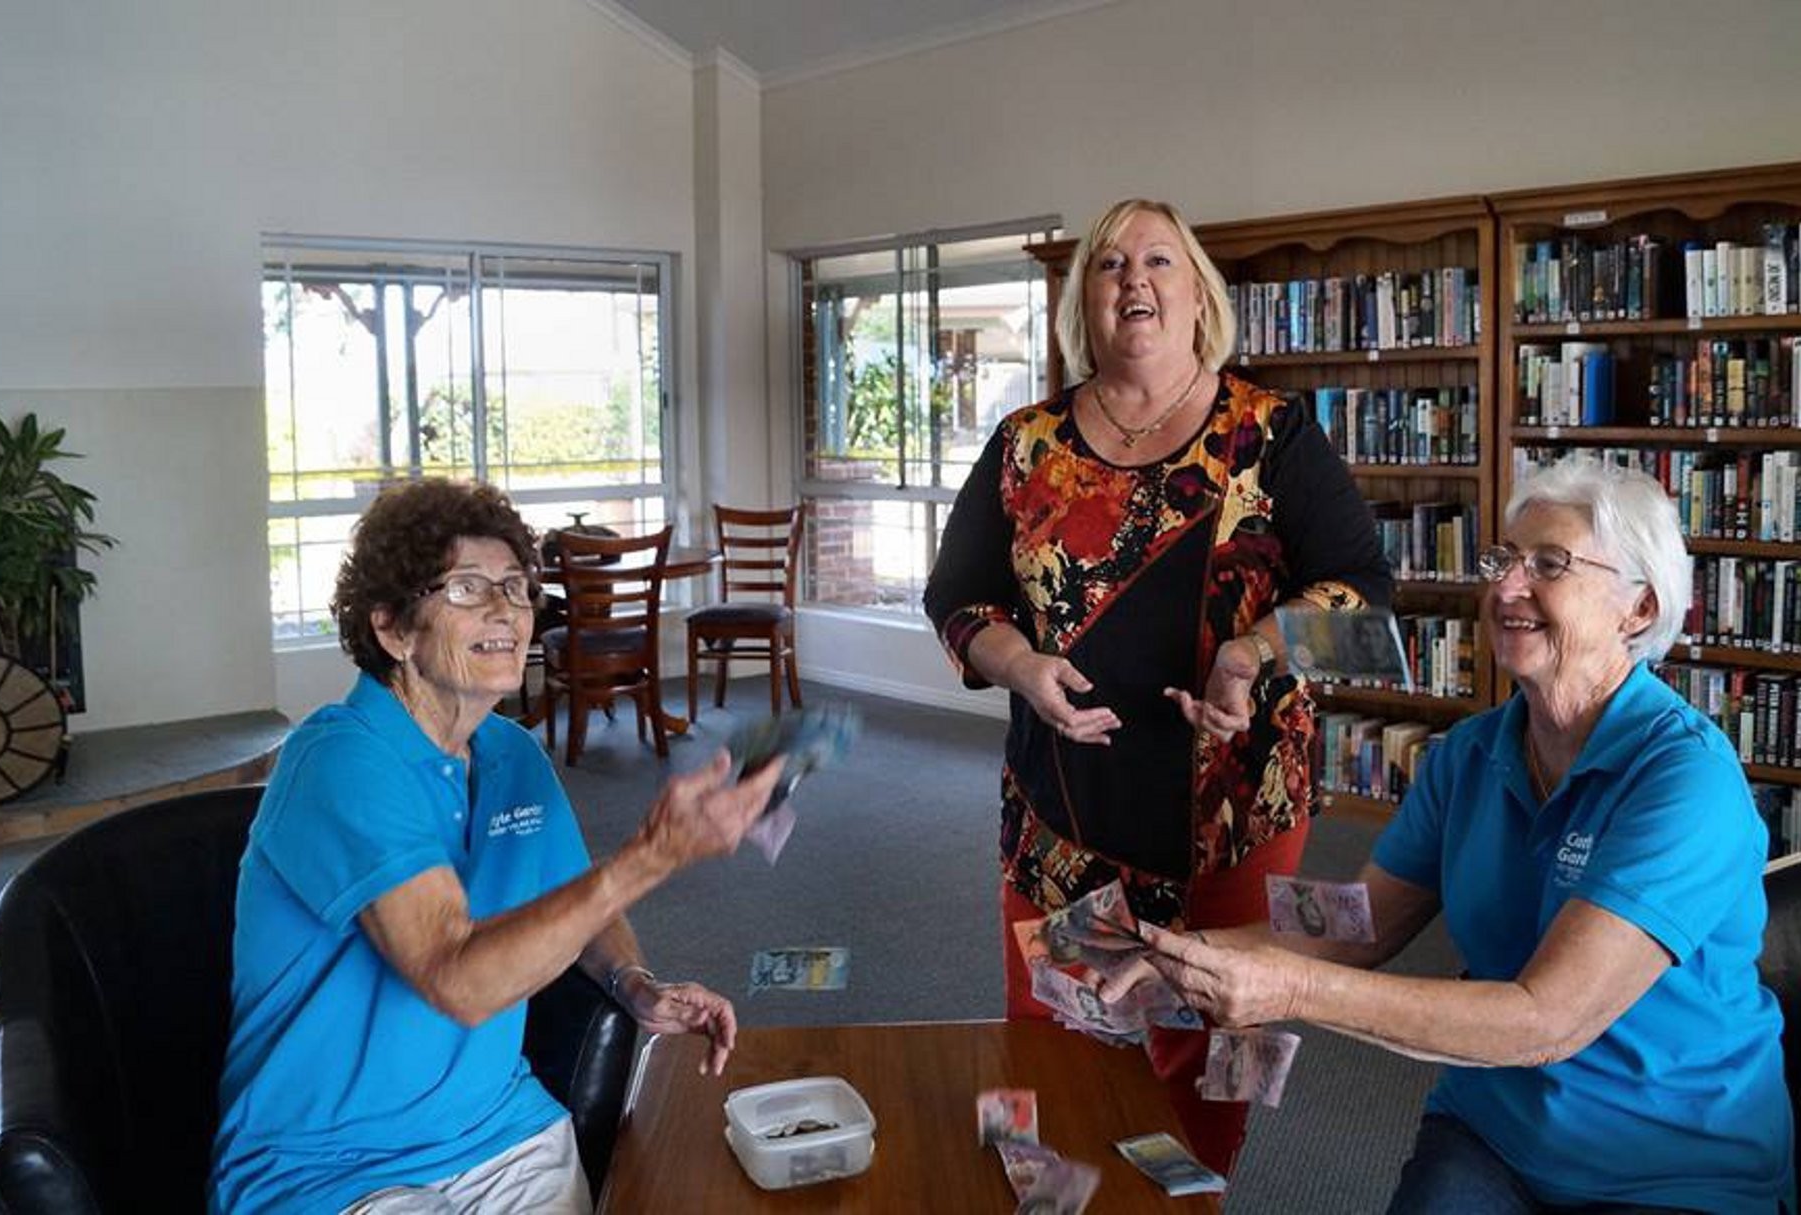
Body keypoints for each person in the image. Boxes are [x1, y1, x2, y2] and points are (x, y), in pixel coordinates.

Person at [1112, 457, 1795, 1212]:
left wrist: (1295, 987)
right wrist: (1192, 950)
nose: (1506, 587)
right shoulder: (1469, 754)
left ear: (1638, 609)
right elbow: (1356, 920)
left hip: (1671, 1166)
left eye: (1549, 564)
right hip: (1493, 1134)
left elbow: (1547, 1019)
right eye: (1502, 558)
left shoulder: (1685, 780)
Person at [924, 197, 1392, 1173]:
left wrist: (1249, 652)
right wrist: (1020, 664)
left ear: (1196, 296)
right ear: (1082, 303)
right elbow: (957, 598)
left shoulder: (1271, 433)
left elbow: (1363, 592)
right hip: (1061, 815)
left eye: (1157, 261)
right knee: (1044, 1051)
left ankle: (1198, 1199)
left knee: (1215, 1062)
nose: (1132, 279)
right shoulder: (1024, 444)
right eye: (1106, 265)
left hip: (1234, 824)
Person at [209, 480, 786, 1214]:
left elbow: (575, 901)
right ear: (392, 628)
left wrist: (634, 982)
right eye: (467, 587)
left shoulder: (512, 753)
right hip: (334, 1166)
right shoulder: (338, 759)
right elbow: (458, 980)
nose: (505, 611)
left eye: (516, 587)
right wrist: (651, 856)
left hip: (503, 1132)